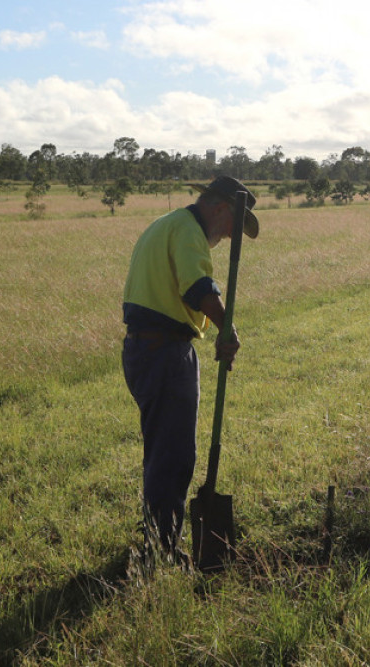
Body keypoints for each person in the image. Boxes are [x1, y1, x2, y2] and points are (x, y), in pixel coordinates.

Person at [121, 175, 259, 555]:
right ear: (219, 209)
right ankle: (163, 546)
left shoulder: (167, 224)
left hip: (145, 350)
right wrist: (226, 328)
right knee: (174, 454)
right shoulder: (187, 232)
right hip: (164, 354)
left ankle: (157, 532)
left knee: (162, 449)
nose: (231, 236)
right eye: (234, 224)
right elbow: (197, 287)